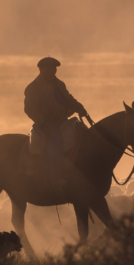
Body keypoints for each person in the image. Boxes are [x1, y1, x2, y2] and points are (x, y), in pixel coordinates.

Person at [24, 57, 87, 188]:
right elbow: (29, 109)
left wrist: (79, 108)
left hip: (62, 121)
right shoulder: (33, 88)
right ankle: (55, 176)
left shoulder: (59, 84)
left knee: (83, 133)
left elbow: (68, 98)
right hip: (45, 125)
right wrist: (44, 123)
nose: (52, 71)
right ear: (41, 70)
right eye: (49, 69)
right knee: (56, 140)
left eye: (54, 68)